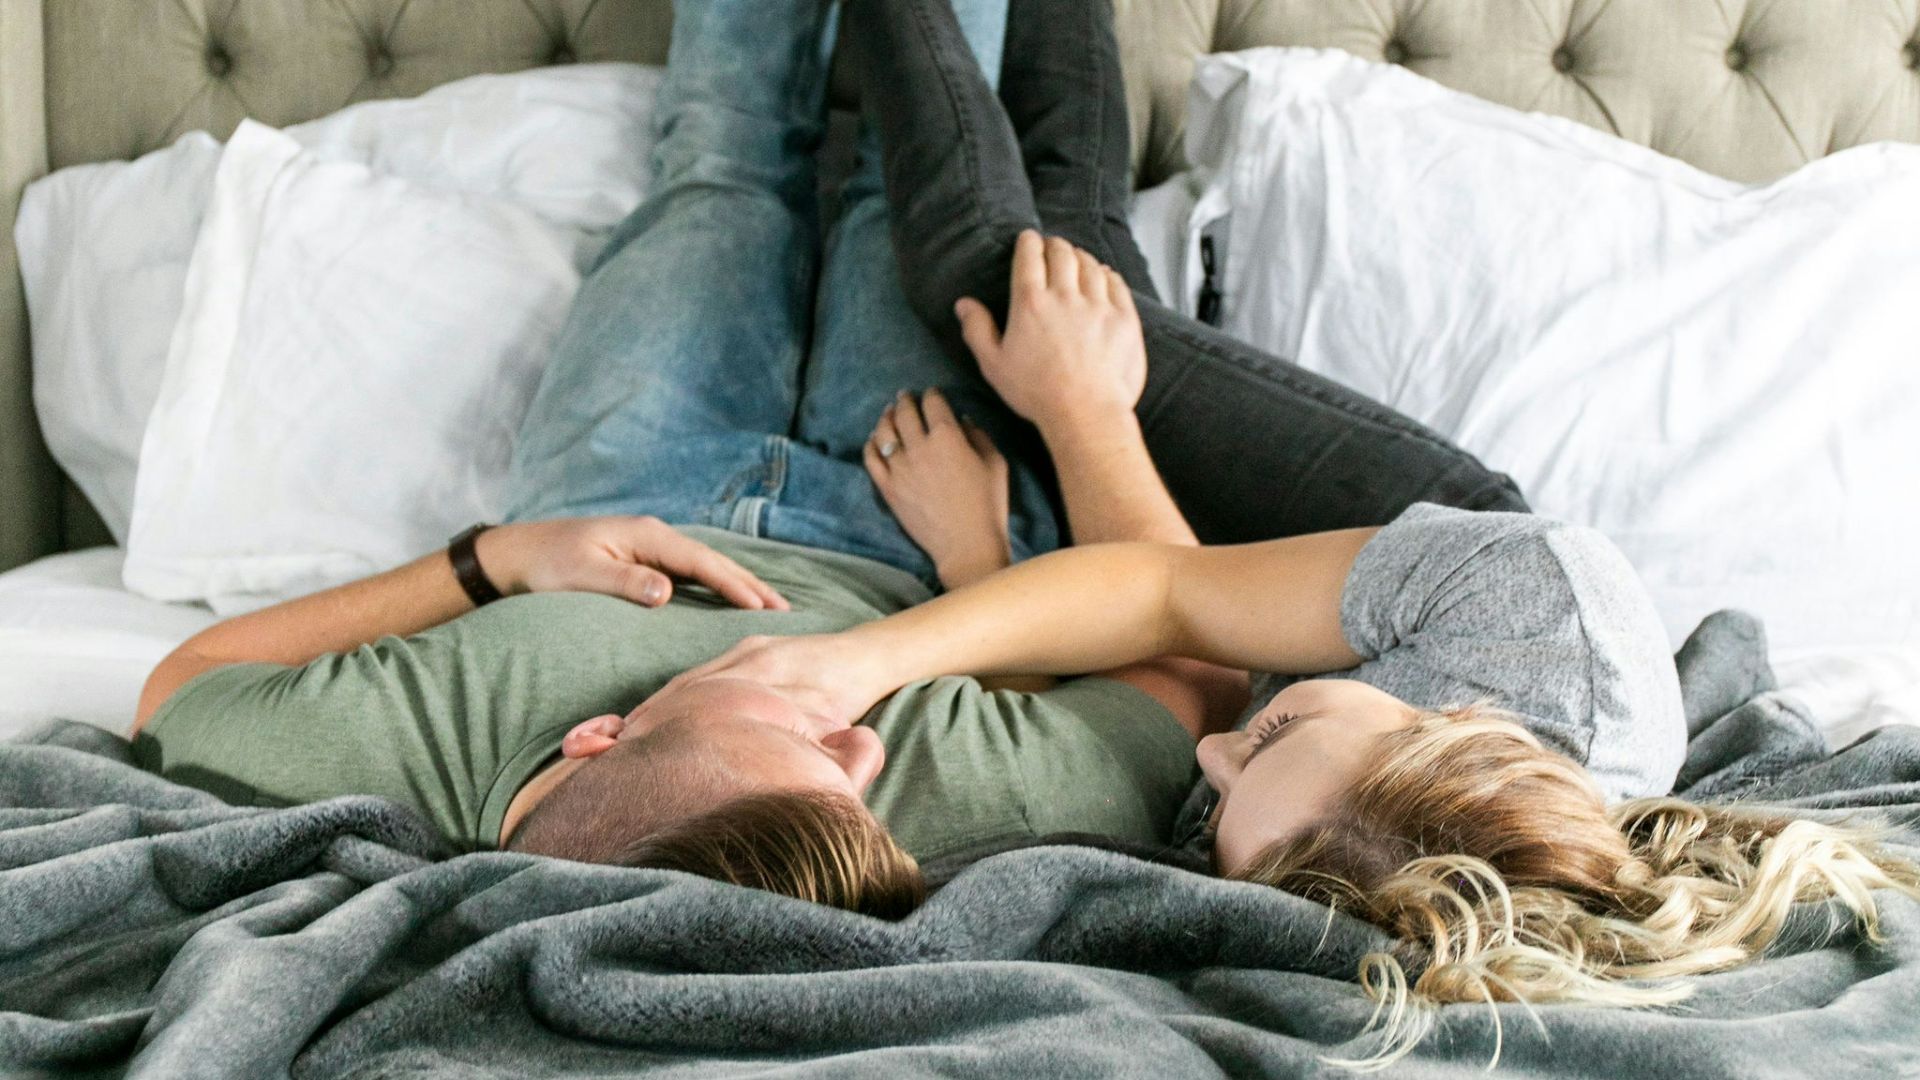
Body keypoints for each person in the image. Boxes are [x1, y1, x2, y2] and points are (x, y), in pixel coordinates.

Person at [635, 0, 1920, 1061]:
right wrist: (879, 639)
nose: (1210, 758)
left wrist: (986, 562)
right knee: (998, 274)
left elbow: (1205, 687)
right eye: (1272, 732)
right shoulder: (1533, 605)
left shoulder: (1326, 872)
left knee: (1079, 254)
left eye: (1228, 794)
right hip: (1410, 548)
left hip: (1264, 640)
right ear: (1438, 712)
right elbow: (1172, 597)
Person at [128, 0, 1516, 917]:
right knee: (888, 203)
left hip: (619, 482)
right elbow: (1194, 662)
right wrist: (976, 561)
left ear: (602, 736)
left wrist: (494, 563)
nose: (860, 741)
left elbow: (184, 686)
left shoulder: (407, 752)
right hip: (905, 511)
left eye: (802, 737)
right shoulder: (877, 818)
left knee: (723, 160)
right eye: (853, 766)